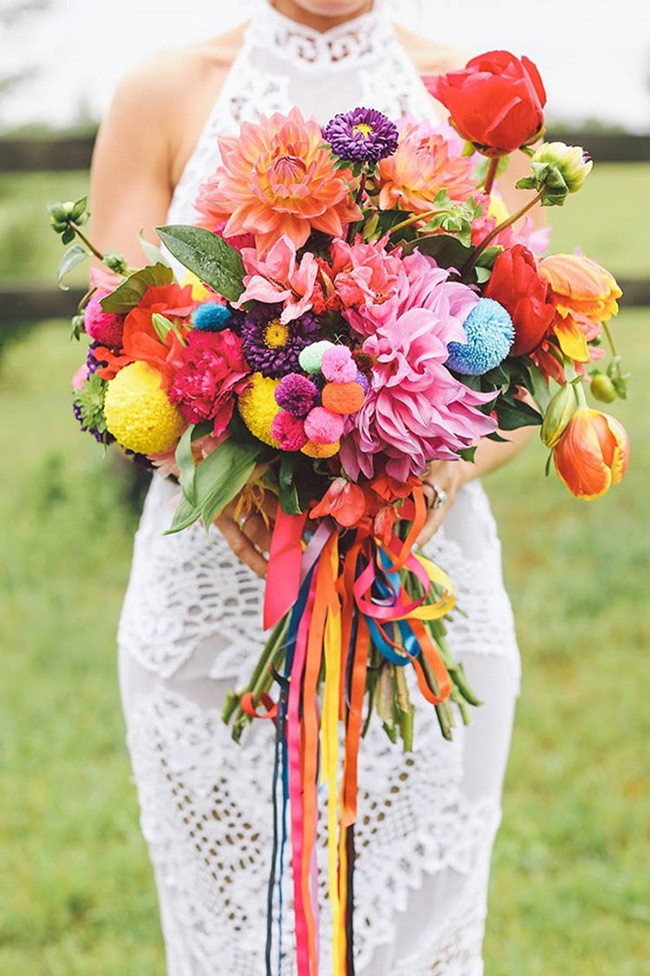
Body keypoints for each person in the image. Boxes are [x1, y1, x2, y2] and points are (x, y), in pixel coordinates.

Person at [90, 1, 543, 972]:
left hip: (416, 585)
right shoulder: (161, 92)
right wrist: (216, 474)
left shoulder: (472, 91)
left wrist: (427, 479)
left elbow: (534, 357)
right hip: (218, 591)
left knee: (417, 934)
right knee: (228, 933)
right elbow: (113, 345)